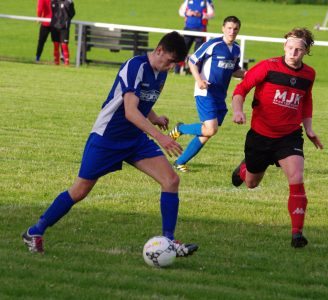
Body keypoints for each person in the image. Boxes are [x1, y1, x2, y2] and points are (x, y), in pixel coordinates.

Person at [22, 31, 198, 258]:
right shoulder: (136, 66)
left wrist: (154, 117)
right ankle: (35, 231)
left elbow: (141, 100)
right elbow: (130, 111)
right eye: (170, 61)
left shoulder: (160, 72)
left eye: (175, 64)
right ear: (159, 50)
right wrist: (160, 136)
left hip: (134, 139)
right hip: (107, 137)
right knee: (79, 191)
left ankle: (169, 241)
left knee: (171, 180)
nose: (171, 67)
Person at [231, 28, 323, 248]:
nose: (293, 53)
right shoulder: (267, 66)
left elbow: (306, 100)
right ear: (284, 47)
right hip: (260, 137)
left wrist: (309, 128)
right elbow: (241, 88)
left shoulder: (309, 74)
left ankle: (297, 234)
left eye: (299, 50)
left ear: (306, 51)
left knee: (297, 177)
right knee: (252, 183)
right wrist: (237, 110)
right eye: (290, 48)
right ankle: (244, 169)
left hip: (289, 137)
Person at [169, 16, 245, 172]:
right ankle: (181, 128)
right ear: (223, 28)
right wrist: (199, 80)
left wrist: (250, 74)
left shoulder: (236, 49)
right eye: (229, 28)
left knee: (207, 132)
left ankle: (180, 162)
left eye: (235, 29)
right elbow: (192, 61)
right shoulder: (213, 44)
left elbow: (234, 71)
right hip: (205, 92)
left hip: (220, 95)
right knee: (210, 129)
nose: (232, 31)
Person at [175, 0, 215, 74]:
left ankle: (194, 72)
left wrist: (201, 15)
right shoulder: (188, 0)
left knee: (198, 52)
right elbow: (181, 11)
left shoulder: (207, 1)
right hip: (188, 29)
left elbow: (212, 14)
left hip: (200, 30)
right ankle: (177, 70)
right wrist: (187, 13)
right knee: (183, 49)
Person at [50, 0, 75, 65]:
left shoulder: (69, 2)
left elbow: (72, 13)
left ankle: (67, 63)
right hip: (54, 26)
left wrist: (65, 20)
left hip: (64, 27)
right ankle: (56, 62)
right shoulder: (53, 2)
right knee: (56, 44)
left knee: (64, 45)